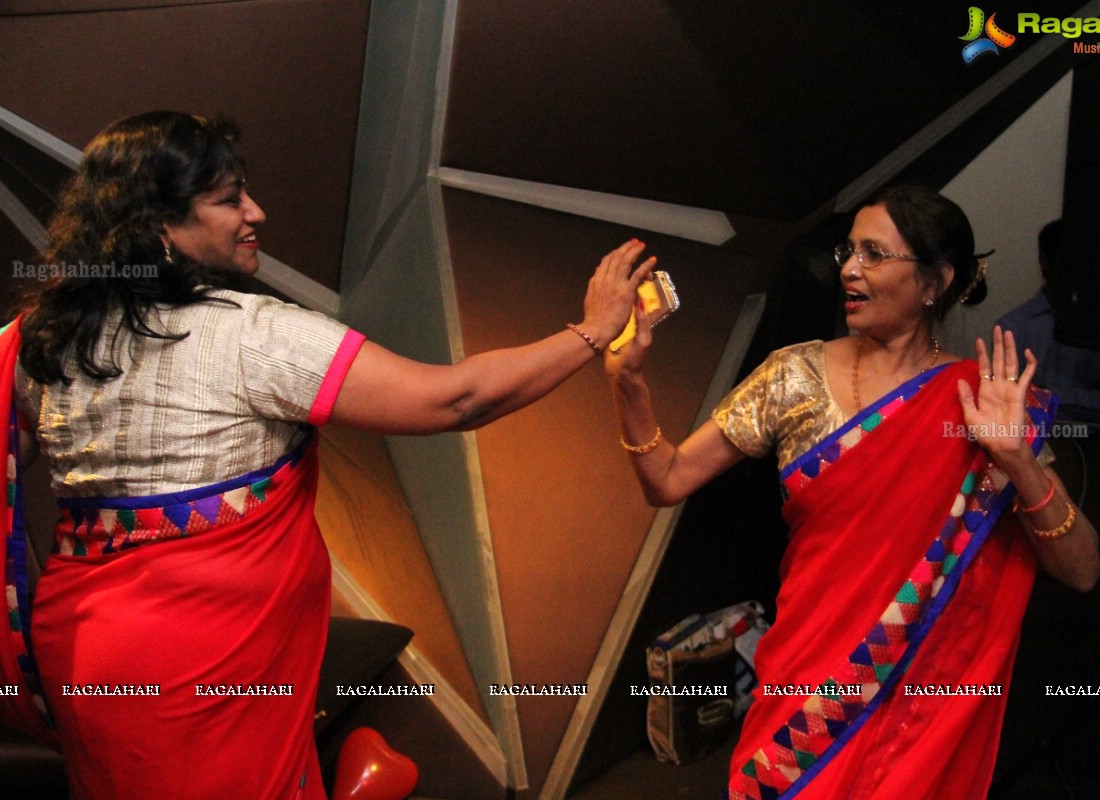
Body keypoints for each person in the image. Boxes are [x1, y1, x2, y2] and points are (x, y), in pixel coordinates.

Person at [0, 110, 653, 799]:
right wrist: (592, 331)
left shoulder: (42, 341)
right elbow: (454, 401)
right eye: (228, 200)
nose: (256, 211)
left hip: (85, 655)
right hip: (204, 669)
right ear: (161, 226)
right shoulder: (251, 339)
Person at [605, 186, 1100, 799]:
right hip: (802, 685)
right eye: (849, 250)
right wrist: (629, 384)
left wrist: (1017, 462)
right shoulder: (792, 375)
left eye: (874, 254)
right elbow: (667, 479)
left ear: (934, 281)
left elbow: (1082, 571)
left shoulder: (978, 400)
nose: (848, 268)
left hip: (921, 709)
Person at [995, 219, 1100, 422]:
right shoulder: (1012, 328)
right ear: (1045, 261)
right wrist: (1087, 392)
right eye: (1067, 259)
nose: (1076, 269)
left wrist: (1045, 392)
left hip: (1094, 445)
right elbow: (1009, 404)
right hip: (1029, 445)